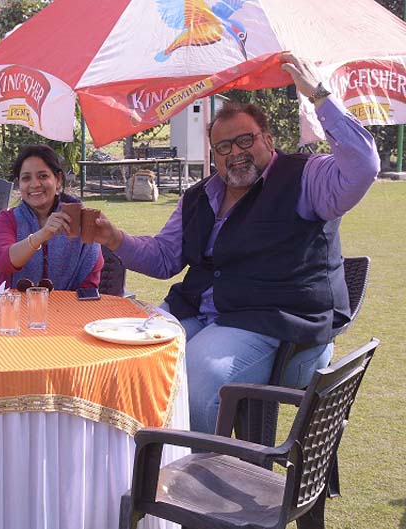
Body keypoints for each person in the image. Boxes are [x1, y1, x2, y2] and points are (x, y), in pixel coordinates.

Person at [92, 53, 380, 434]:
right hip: (200, 311)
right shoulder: (199, 197)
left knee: (195, 375)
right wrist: (114, 238)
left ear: (269, 140)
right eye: (223, 147)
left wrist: (320, 96)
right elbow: (164, 258)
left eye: (246, 140)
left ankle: (199, 470)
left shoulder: (305, 177)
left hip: (274, 321)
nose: (236, 153)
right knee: (133, 361)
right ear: (214, 155)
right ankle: (145, 460)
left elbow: (363, 167)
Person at [0, 144, 104, 291]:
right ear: (19, 184)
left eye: (43, 176)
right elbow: (4, 262)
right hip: (15, 303)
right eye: (26, 178)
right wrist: (41, 235)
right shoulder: (7, 220)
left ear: (58, 180)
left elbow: (90, 279)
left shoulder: (81, 220)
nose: (35, 184)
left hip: (70, 304)